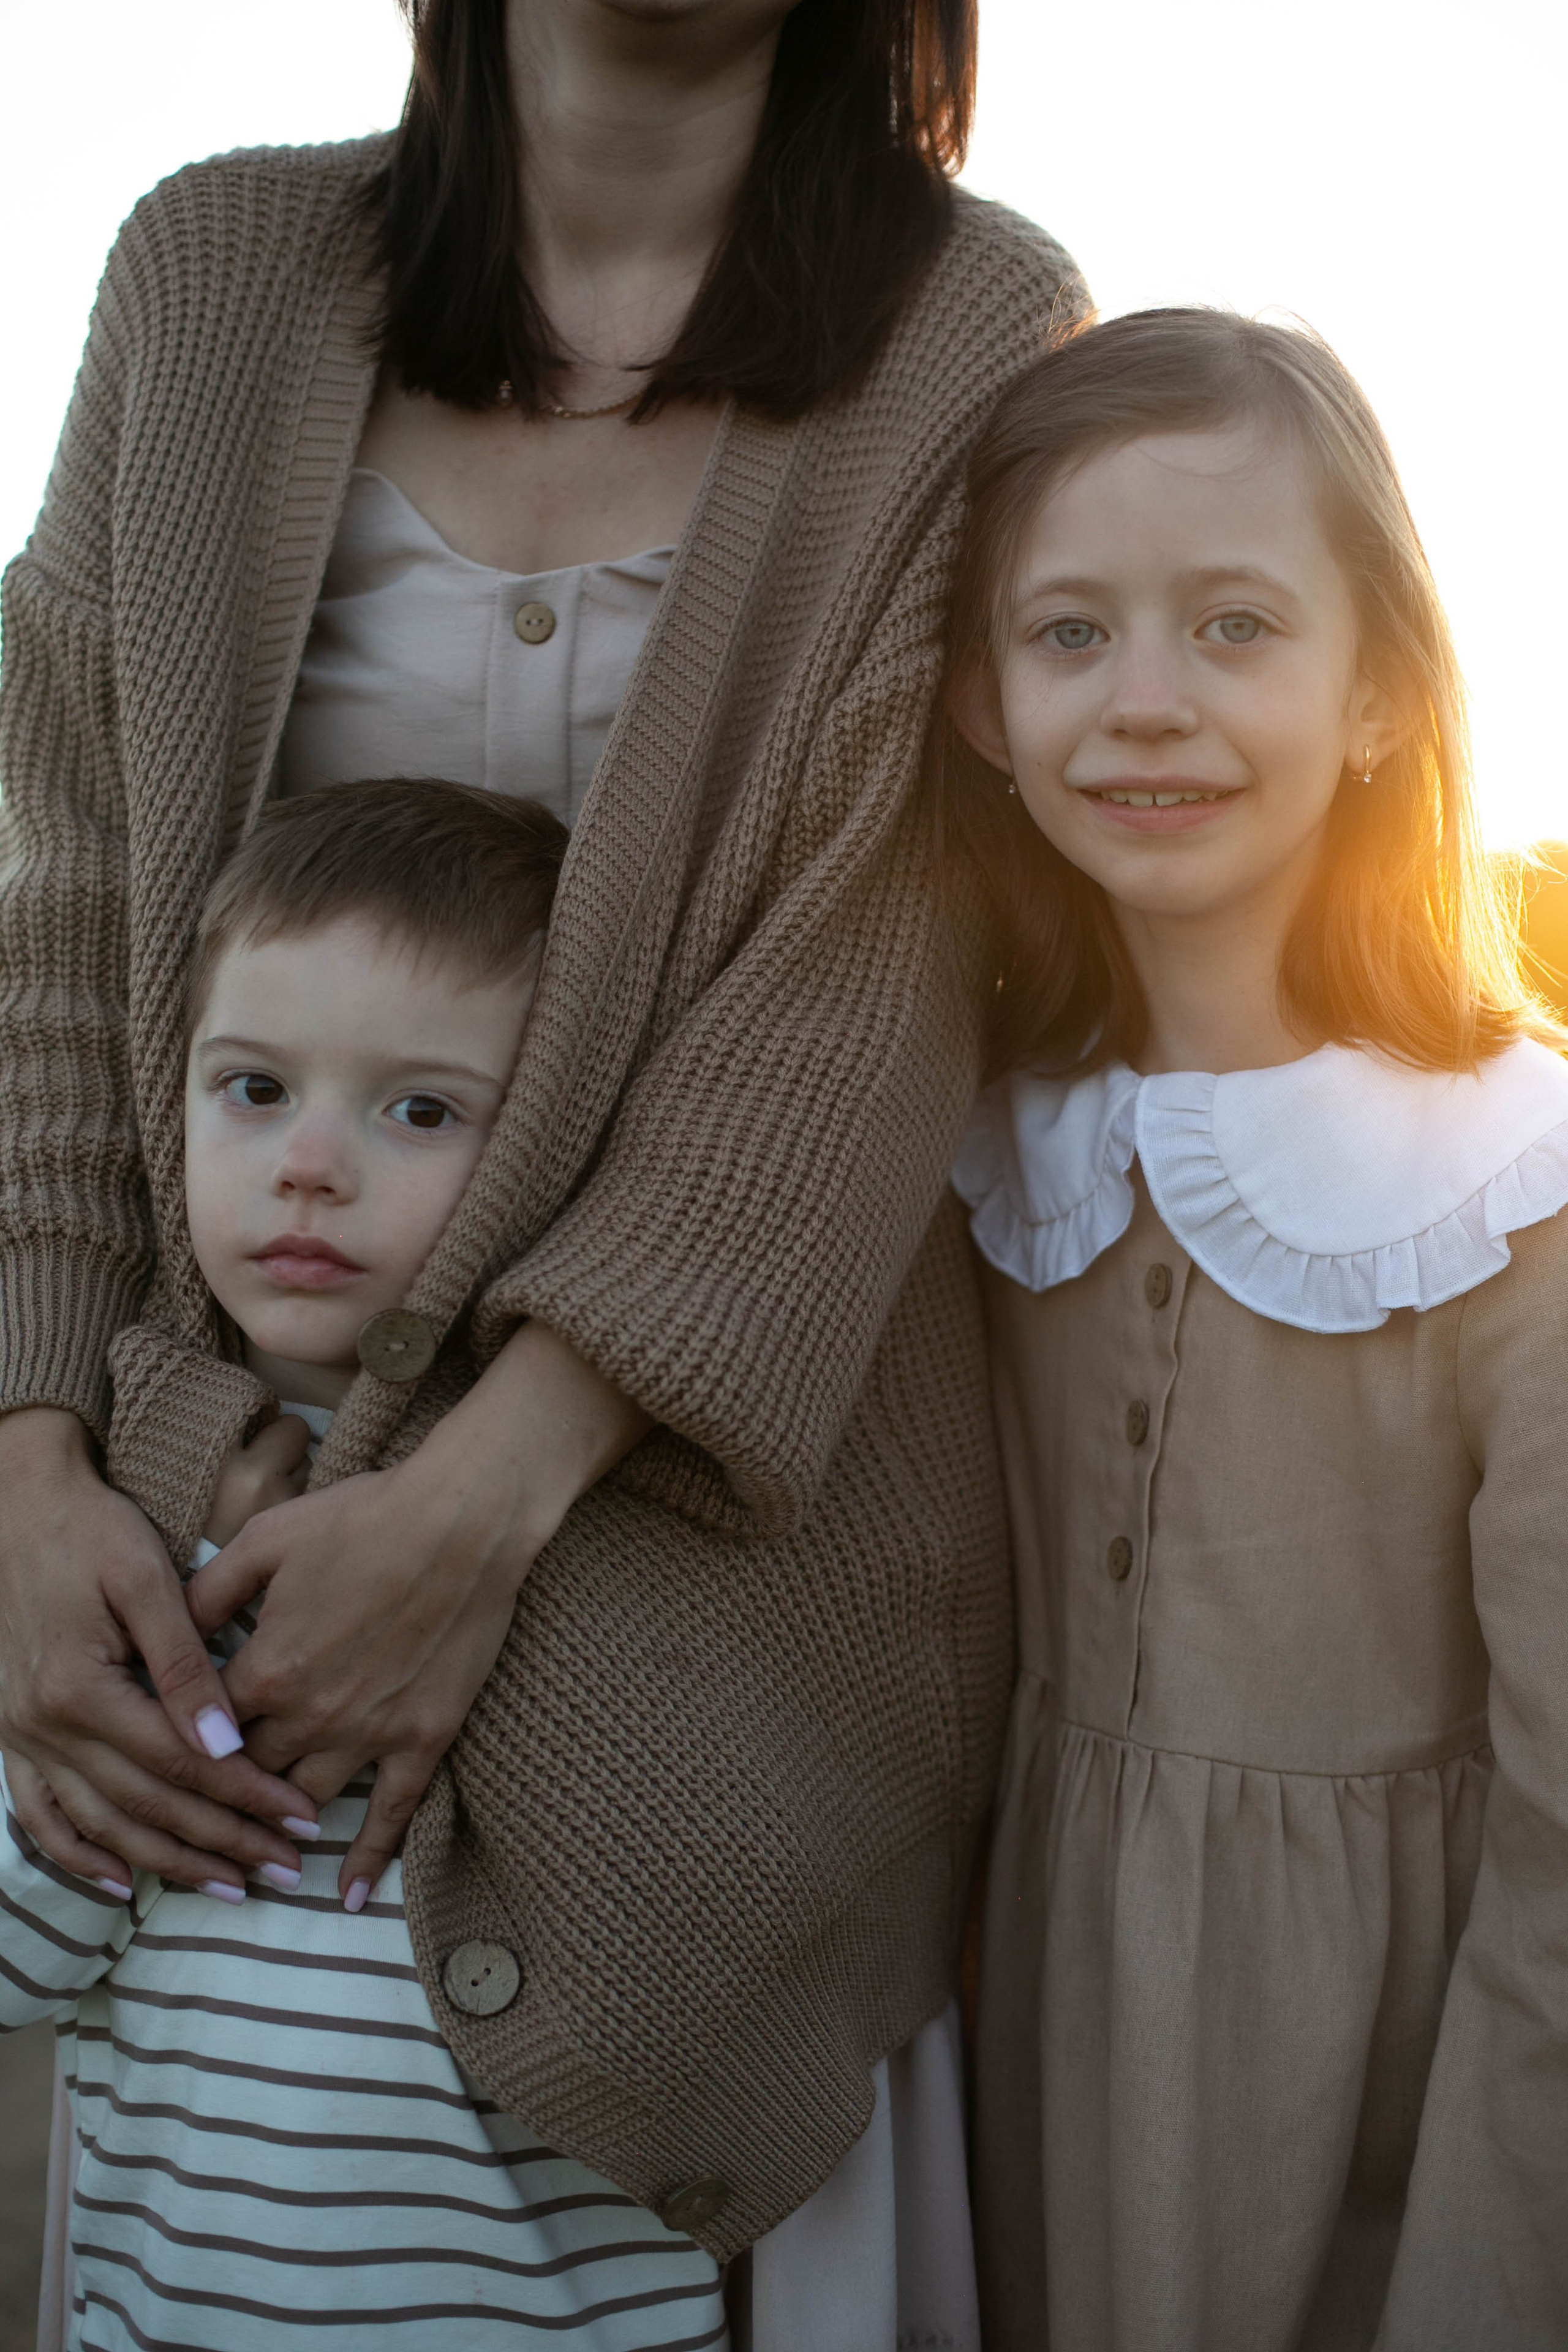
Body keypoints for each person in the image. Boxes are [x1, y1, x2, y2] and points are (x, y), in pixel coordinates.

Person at [0, 0, 1079, 2335]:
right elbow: (62, 909)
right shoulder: (208, 278)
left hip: (725, 1542)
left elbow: (888, 978)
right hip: (217, 1522)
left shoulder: (971, 327)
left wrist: (480, 1501)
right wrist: (23, 1460)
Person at [939, 309, 1568, 2349]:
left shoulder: (1508, 1192)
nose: (1145, 705)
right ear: (975, 697)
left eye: (1232, 627)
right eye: (1069, 635)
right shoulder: (972, 1151)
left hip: (1392, 2104)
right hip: (1021, 2060)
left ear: (1380, 687)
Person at [1, 778, 745, 2346]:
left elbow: (702, 1987)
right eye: (253, 1088)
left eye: (419, 1110)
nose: (310, 1166)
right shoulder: (100, 1529)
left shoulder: (613, 1523)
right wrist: (181, 1593)